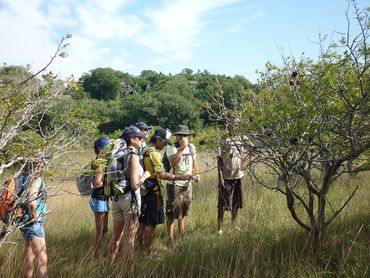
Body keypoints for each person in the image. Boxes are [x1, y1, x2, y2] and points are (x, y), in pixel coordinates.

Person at [139, 128, 192, 256]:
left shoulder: (143, 150)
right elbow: (162, 174)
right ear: (158, 139)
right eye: (164, 142)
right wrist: (180, 177)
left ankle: (141, 249)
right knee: (151, 224)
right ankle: (148, 252)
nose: (164, 145)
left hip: (143, 191)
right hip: (154, 192)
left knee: (143, 222)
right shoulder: (154, 154)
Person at [107, 126, 151, 272]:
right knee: (129, 240)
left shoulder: (117, 153)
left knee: (116, 237)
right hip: (128, 200)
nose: (142, 139)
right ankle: (129, 271)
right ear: (132, 140)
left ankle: (109, 268)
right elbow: (135, 184)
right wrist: (145, 176)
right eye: (139, 137)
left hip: (116, 199)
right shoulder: (132, 155)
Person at [165, 125, 200, 247]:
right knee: (172, 214)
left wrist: (196, 174)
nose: (185, 138)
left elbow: (194, 164)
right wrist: (182, 148)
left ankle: (182, 235)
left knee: (184, 212)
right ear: (177, 136)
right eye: (183, 135)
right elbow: (173, 162)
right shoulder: (171, 147)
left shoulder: (191, 147)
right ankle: (170, 239)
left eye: (186, 135)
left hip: (187, 184)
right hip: (174, 184)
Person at [20, 152, 48, 278]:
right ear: (38, 163)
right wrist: (35, 217)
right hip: (33, 224)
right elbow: (32, 200)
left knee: (29, 259)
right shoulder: (36, 179)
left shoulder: (23, 177)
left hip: (23, 222)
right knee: (42, 261)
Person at [217, 135, 245, 235]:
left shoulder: (241, 138)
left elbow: (244, 153)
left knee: (236, 201)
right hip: (226, 176)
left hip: (238, 175)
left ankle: (234, 224)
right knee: (223, 203)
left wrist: (242, 165)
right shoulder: (223, 139)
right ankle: (220, 228)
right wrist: (220, 177)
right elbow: (219, 159)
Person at [90, 137, 110, 257]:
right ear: (100, 149)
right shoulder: (100, 163)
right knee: (100, 230)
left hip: (103, 198)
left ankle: (98, 252)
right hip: (99, 198)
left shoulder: (102, 161)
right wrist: (111, 182)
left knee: (104, 229)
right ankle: (96, 254)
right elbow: (97, 183)